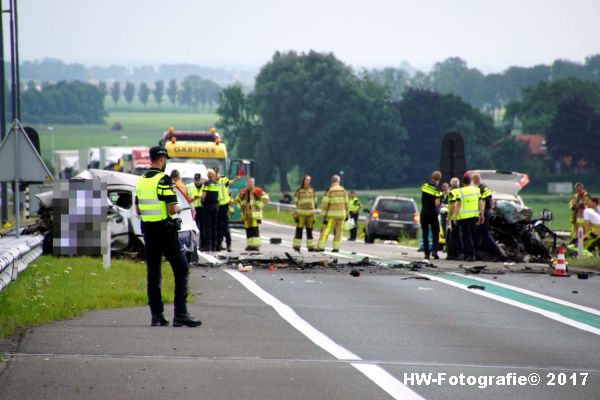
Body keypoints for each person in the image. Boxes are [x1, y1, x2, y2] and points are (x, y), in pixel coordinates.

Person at [135, 146, 201, 328]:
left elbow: (138, 210)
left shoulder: (140, 181)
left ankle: (156, 315)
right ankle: (180, 314)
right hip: (165, 231)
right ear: (162, 158)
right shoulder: (164, 180)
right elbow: (172, 208)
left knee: (153, 272)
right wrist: (179, 208)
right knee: (181, 269)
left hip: (148, 231)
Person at [472, 172, 506, 261]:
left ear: (475, 180)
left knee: (485, 234)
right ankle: (475, 253)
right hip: (488, 211)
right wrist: (490, 209)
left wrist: (481, 214)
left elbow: (482, 202)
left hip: (484, 213)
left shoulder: (480, 189)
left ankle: (500, 254)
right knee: (477, 233)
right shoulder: (486, 187)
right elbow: (491, 200)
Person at [452, 174, 481, 262]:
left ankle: (469, 255)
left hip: (464, 217)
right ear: (470, 181)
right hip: (474, 216)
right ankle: (473, 254)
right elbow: (480, 203)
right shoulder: (477, 190)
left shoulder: (460, 191)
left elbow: (458, 205)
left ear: (462, 182)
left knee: (466, 237)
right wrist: (481, 214)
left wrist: (455, 217)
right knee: (473, 236)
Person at [235, 177, 269, 251]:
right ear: (246, 183)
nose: (250, 184)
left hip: (255, 215)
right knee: (248, 230)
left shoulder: (258, 190)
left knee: (255, 230)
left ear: (254, 183)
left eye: (252, 182)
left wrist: (259, 205)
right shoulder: (243, 192)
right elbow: (237, 200)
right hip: (246, 215)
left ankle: (256, 246)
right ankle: (250, 245)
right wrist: (240, 206)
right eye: (249, 182)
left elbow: (266, 198)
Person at [317, 175, 348, 252]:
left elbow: (325, 204)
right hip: (341, 216)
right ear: (339, 181)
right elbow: (347, 204)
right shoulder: (343, 190)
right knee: (339, 232)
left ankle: (321, 247)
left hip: (331, 216)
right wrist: (347, 215)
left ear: (332, 181)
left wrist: (323, 216)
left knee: (326, 231)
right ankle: (336, 248)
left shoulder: (330, 191)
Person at [215, 168, 240, 252]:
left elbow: (231, 182)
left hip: (224, 205)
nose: (216, 175)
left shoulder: (223, 179)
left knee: (225, 227)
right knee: (218, 227)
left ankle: (228, 245)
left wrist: (236, 179)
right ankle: (218, 244)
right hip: (217, 206)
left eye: (216, 173)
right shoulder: (212, 182)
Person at [420, 171, 442, 260]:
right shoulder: (437, 190)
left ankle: (426, 254)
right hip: (432, 212)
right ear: (438, 179)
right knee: (435, 232)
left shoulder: (424, 186)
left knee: (425, 233)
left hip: (424, 211)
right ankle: (434, 251)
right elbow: (437, 203)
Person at [292, 175, 317, 252]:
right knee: (299, 229)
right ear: (303, 181)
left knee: (309, 230)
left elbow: (315, 202)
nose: (308, 181)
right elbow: (295, 201)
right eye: (306, 180)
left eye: (309, 180)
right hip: (301, 213)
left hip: (310, 213)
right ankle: (297, 246)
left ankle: (311, 246)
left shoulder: (313, 191)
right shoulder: (299, 191)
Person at [201, 169, 220, 251]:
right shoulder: (217, 184)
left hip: (208, 206)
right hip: (216, 206)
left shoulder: (207, 183)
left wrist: (201, 199)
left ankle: (207, 245)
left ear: (208, 175)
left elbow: (203, 196)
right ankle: (214, 245)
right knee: (214, 226)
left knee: (207, 226)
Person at [446, 177, 462, 260]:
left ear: (451, 184)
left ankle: (455, 253)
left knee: (454, 236)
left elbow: (452, 206)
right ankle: (459, 252)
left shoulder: (452, 192)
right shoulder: (461, 191)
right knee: (459, 235)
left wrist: (449, 217)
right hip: (462, 216)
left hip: (454, 217)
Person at [186, 173, 204, 248]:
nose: (197, 181)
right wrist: (195, 198)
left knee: (202, 227)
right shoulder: (189, 186)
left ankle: (201, 244)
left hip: (202, 208)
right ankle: (193, 244)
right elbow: (186, 199)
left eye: (198, 180)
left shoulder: (204, 186)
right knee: (193, 227)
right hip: (193, 209)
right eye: (196, 180)